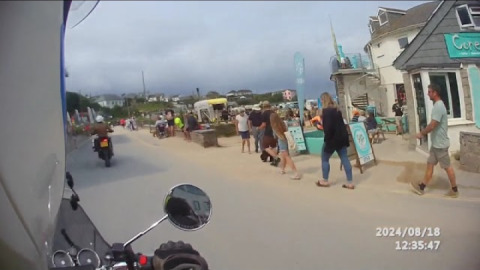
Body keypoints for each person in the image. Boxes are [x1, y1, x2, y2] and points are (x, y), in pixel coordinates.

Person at [411, 84, 458, 198]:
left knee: (447, 167)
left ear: (435, 93)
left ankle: (454, 190)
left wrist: (422, 134)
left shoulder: (439, 106)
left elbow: (432, 125)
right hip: (435, 145)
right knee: (430, 165)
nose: (428, 94)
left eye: (429, 92)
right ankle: (421, 187)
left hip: (440, 145)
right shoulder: (437, 105)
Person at [316, 92, 354, 189]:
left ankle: (325, 180)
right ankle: (350, 182)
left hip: (332, 140)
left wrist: (326, 138)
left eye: (321, 100)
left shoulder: (326, 112)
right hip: (342, 138)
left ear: (323, 100)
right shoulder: (337, 110)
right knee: (345, 158)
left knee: (324, 159)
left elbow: (328, 129)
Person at [270, 112, 302, 179]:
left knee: (286, 157)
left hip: (281, 141)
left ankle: (295, 173)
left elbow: (274, 136)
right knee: (283, 156)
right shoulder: (283, 123)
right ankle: (282, 169)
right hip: (286, 139)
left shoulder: (274, 126)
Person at [258, 101, 280, 165]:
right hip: (275, 131)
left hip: (268, 132)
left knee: (265, 146)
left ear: (263, 106)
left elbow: (264, 124)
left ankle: (276, 158)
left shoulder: (264, 113)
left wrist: (258, 128)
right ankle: (275, 159)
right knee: (273, 146)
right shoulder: (274, 113)